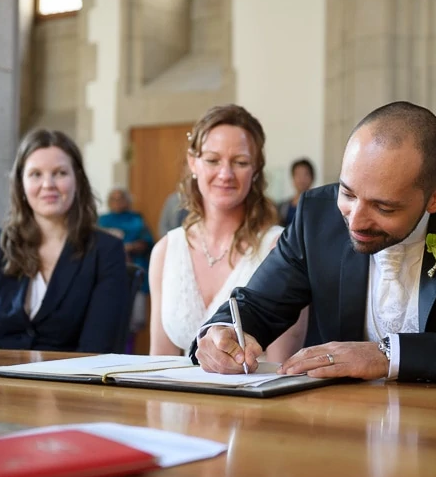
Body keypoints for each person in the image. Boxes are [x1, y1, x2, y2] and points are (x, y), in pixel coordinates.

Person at [193, 101, 436, 390]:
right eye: (348, 193)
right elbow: (255, 307)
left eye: (384, 206)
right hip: (339, 438)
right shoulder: (316, 215)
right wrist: (221, 332)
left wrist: (389, 354)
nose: (355, 221)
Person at [0, 129, 130, 352]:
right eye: (36, 174)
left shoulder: (106, 250)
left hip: (70, 383)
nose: (48, 184)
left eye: (60, 173)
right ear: (20, 184)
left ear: (78, 180)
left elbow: (97, 350)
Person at [148, 104, 307, 360]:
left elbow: (282, 367)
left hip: (256, 397)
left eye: (240, 162)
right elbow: (159, 360)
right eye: (212, 160)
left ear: (255, 170)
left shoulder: (279, 250)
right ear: (193, 163)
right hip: (177, 399)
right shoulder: (166, 250)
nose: (225, 174)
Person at [98, 187, 154, 345]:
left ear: (128, 201)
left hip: (134, 270)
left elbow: (147, 243)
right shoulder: (102, 220)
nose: (117, 202)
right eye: (113, 198)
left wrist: (128, 248)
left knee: (134, 321)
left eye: (121, 198)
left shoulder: (136, 219)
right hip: (108, 274)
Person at [276, 158, 316, 227]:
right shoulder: (283, 207)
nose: (302, 179)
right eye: (298, 174)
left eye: (305, 174)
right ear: (293, 178)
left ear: (312, 178)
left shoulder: (319, 205)